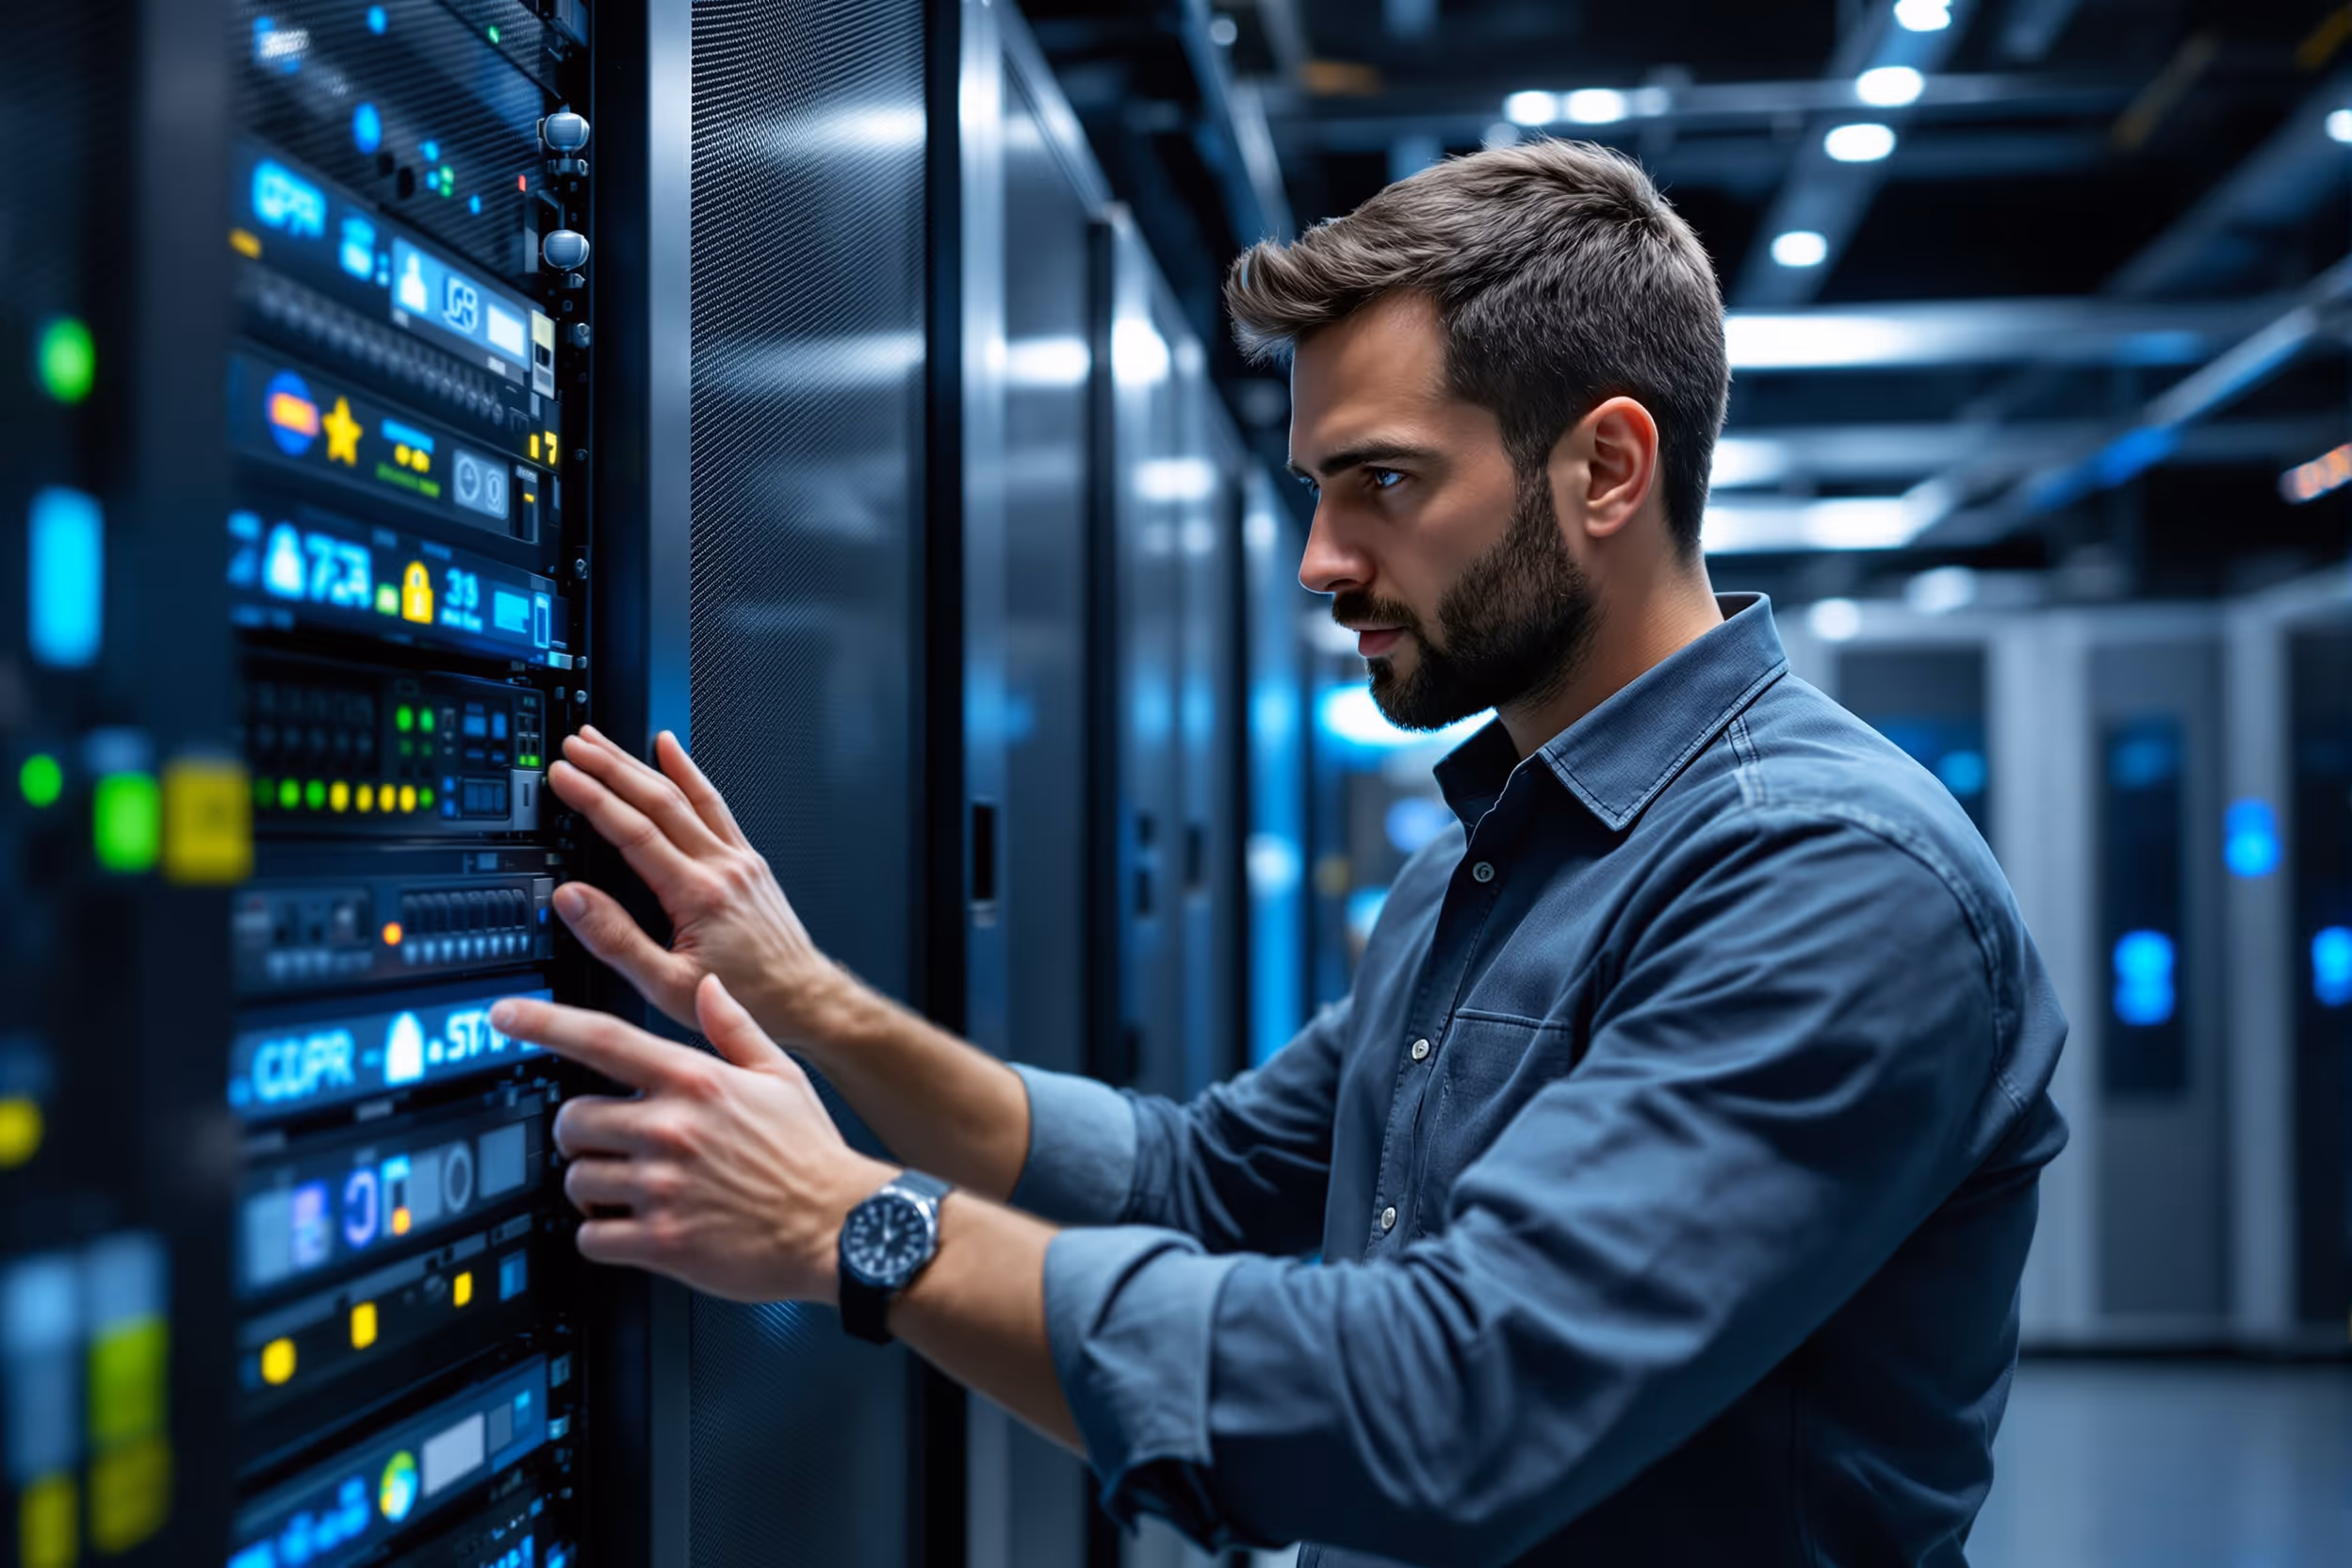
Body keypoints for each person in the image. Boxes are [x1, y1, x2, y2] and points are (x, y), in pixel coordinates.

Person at [490, 139, 2068, 1567]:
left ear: (1606, 469)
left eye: (1383, 482)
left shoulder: (1828, 881)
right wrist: (811, 1001)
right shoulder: (1487, 860)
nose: (1323, 560)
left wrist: (854, 1229)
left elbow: (1454, 1408)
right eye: (1318, 489)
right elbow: (1202, 1178)